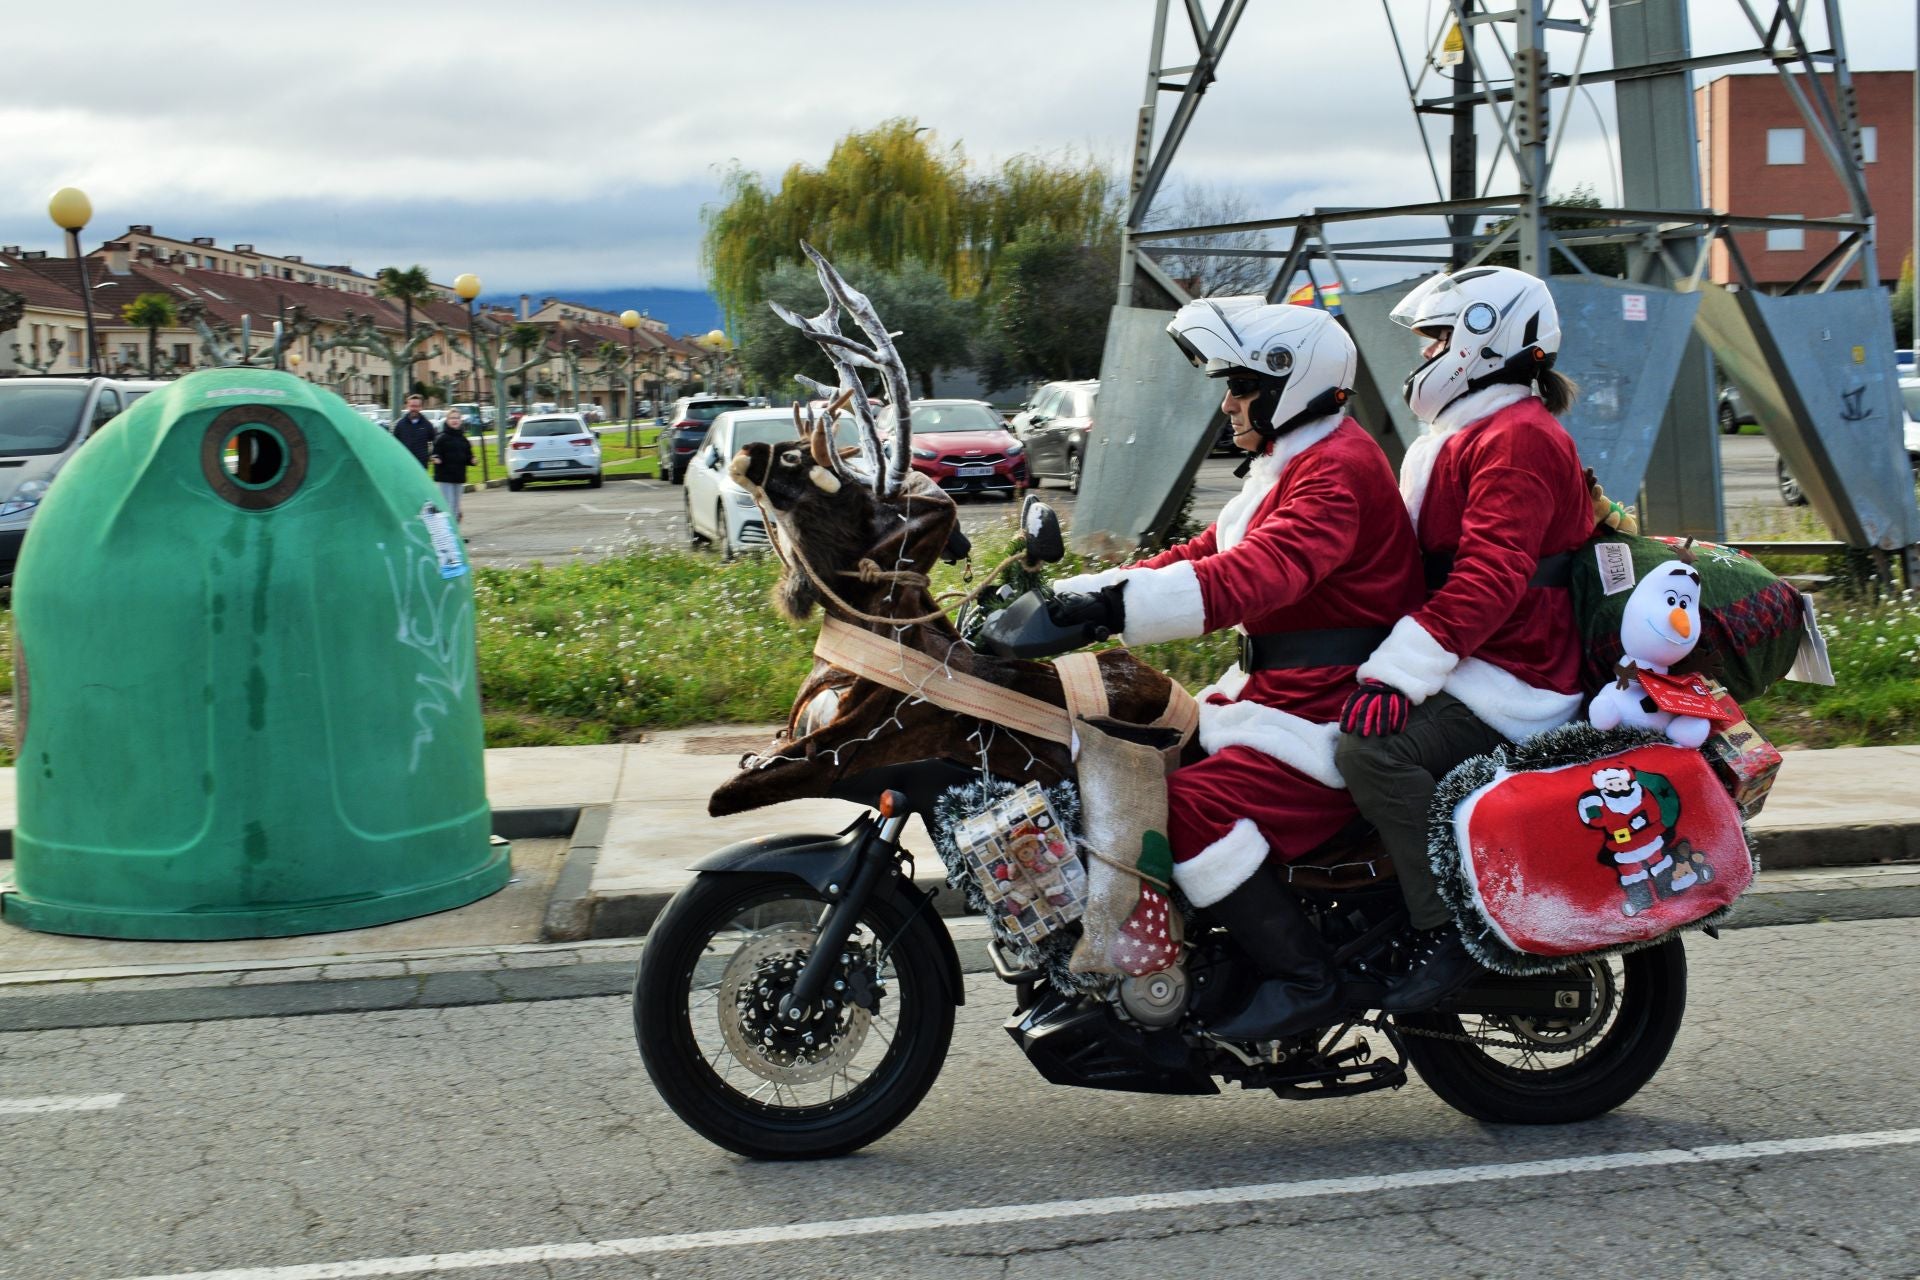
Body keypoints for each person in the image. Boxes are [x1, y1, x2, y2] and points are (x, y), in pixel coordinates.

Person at [1046, 298, 1425, 1038]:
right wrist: (1079, 595)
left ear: (1293, 382)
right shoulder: (1293, 462)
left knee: (1186, 808)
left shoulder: (1337, 470)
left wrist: (1114, 608)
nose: (1228, 401)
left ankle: (1306, 980)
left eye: (1243, 384)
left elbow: (1259, 575)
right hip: (1277, 697)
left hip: (1323, 711)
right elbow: (1204, 554)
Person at [1334, 266, 1594, 1012]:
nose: (1425, 357)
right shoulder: (1469, 434)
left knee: (1371, 749)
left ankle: (1455, 930)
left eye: (1439, 339)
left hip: (1514, 677)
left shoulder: (1515, 439)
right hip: (1473, 658)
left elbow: (1491, 575)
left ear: (1487, 341)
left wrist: (1398, 674)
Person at [431, 409, 475, 523]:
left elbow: (468, 456)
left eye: (457, 418)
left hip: (459, 477)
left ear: (460, 420)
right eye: (452, 418)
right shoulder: (441, 437)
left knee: (456, 507)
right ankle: (446, 534)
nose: (455, 420)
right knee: (448, 505)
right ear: (447, 420)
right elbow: (434, 453)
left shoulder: (463, 439)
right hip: (445, 477)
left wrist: (472, 460)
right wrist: (436, 458)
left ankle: (455, 534)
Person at [391, 394, 434, 469]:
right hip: (404, 465)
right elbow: (393, 444)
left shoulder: (427, 425)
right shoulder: (399, 425)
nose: (414, 409)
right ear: (407, 406)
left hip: (421, 466)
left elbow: (435, 441)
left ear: (421, 407)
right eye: (412, 406)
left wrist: (429, 456)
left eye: (417, 406)